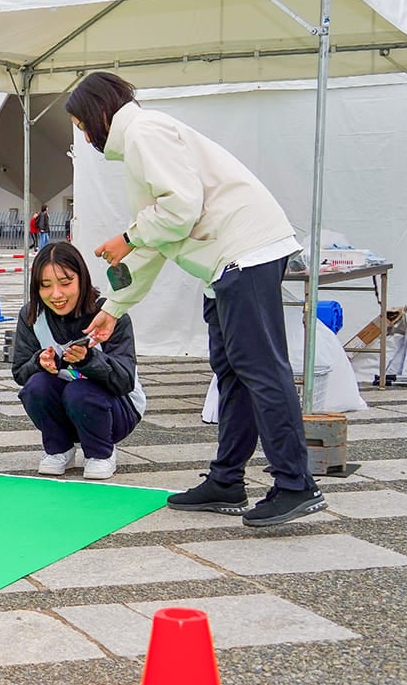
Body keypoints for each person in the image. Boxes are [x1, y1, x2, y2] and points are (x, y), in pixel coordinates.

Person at [68, 70, 325, 527]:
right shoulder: (141, 141)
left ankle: (295, 483)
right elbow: (157, 238)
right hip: (231, 261)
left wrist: (128, 236)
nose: (84, 135)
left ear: (98, 113)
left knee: (260, 369)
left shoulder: (145, 133)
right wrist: (113, 308)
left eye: (82, 125)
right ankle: (227, 480)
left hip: (245, 252)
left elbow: (179, 209)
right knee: (233, 372)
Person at [12, 241, 145, 480]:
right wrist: (39, 362)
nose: (56, 294)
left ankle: (101, 453)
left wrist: (89, 360)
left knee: (80, 391)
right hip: (67, 409)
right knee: (36, 386)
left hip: (118, 410)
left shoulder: (109, 314)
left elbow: (125, 381)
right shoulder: (32, 315)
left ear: (82, 279)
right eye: (45, 286)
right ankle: (59, 449)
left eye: (65, 283)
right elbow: (20, 373)